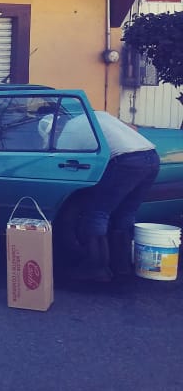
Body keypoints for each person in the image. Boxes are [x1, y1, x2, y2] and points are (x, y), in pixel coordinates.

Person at [52, 110, 160, 282]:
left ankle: (96, 268)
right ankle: (121, 266)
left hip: (126, 161)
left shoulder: (68, 130)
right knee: (126, 213)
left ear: (56, 127)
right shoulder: (98, 115)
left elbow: (61, 161)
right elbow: (133, 128)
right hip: (152, 156)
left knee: (97, 213)